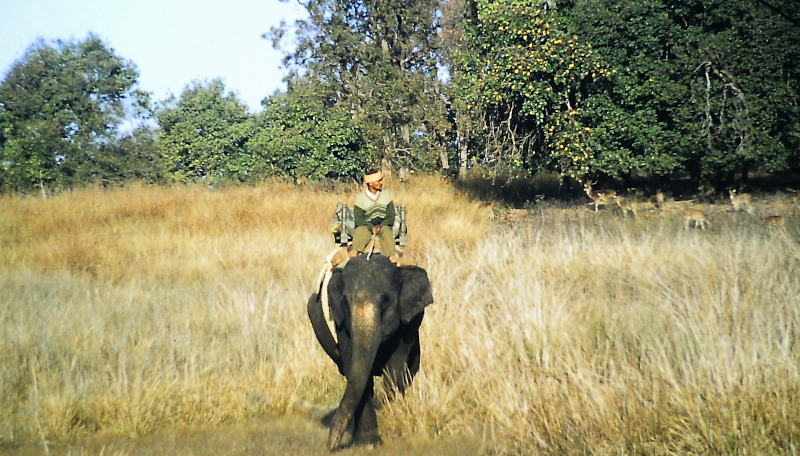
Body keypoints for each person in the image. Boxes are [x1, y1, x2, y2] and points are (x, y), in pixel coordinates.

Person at [350, 169, 398, 262]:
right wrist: (371, 227)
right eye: (378, 181)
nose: (381, 183)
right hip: (366, 225)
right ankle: (355, 250)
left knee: (387, 232)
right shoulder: (360, 199)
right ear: (371, 183)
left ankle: (391, 255)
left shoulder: (386, 196)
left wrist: (381, 226)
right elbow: (359, 219)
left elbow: (390, 216)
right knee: (361, 230)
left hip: (383, 225)